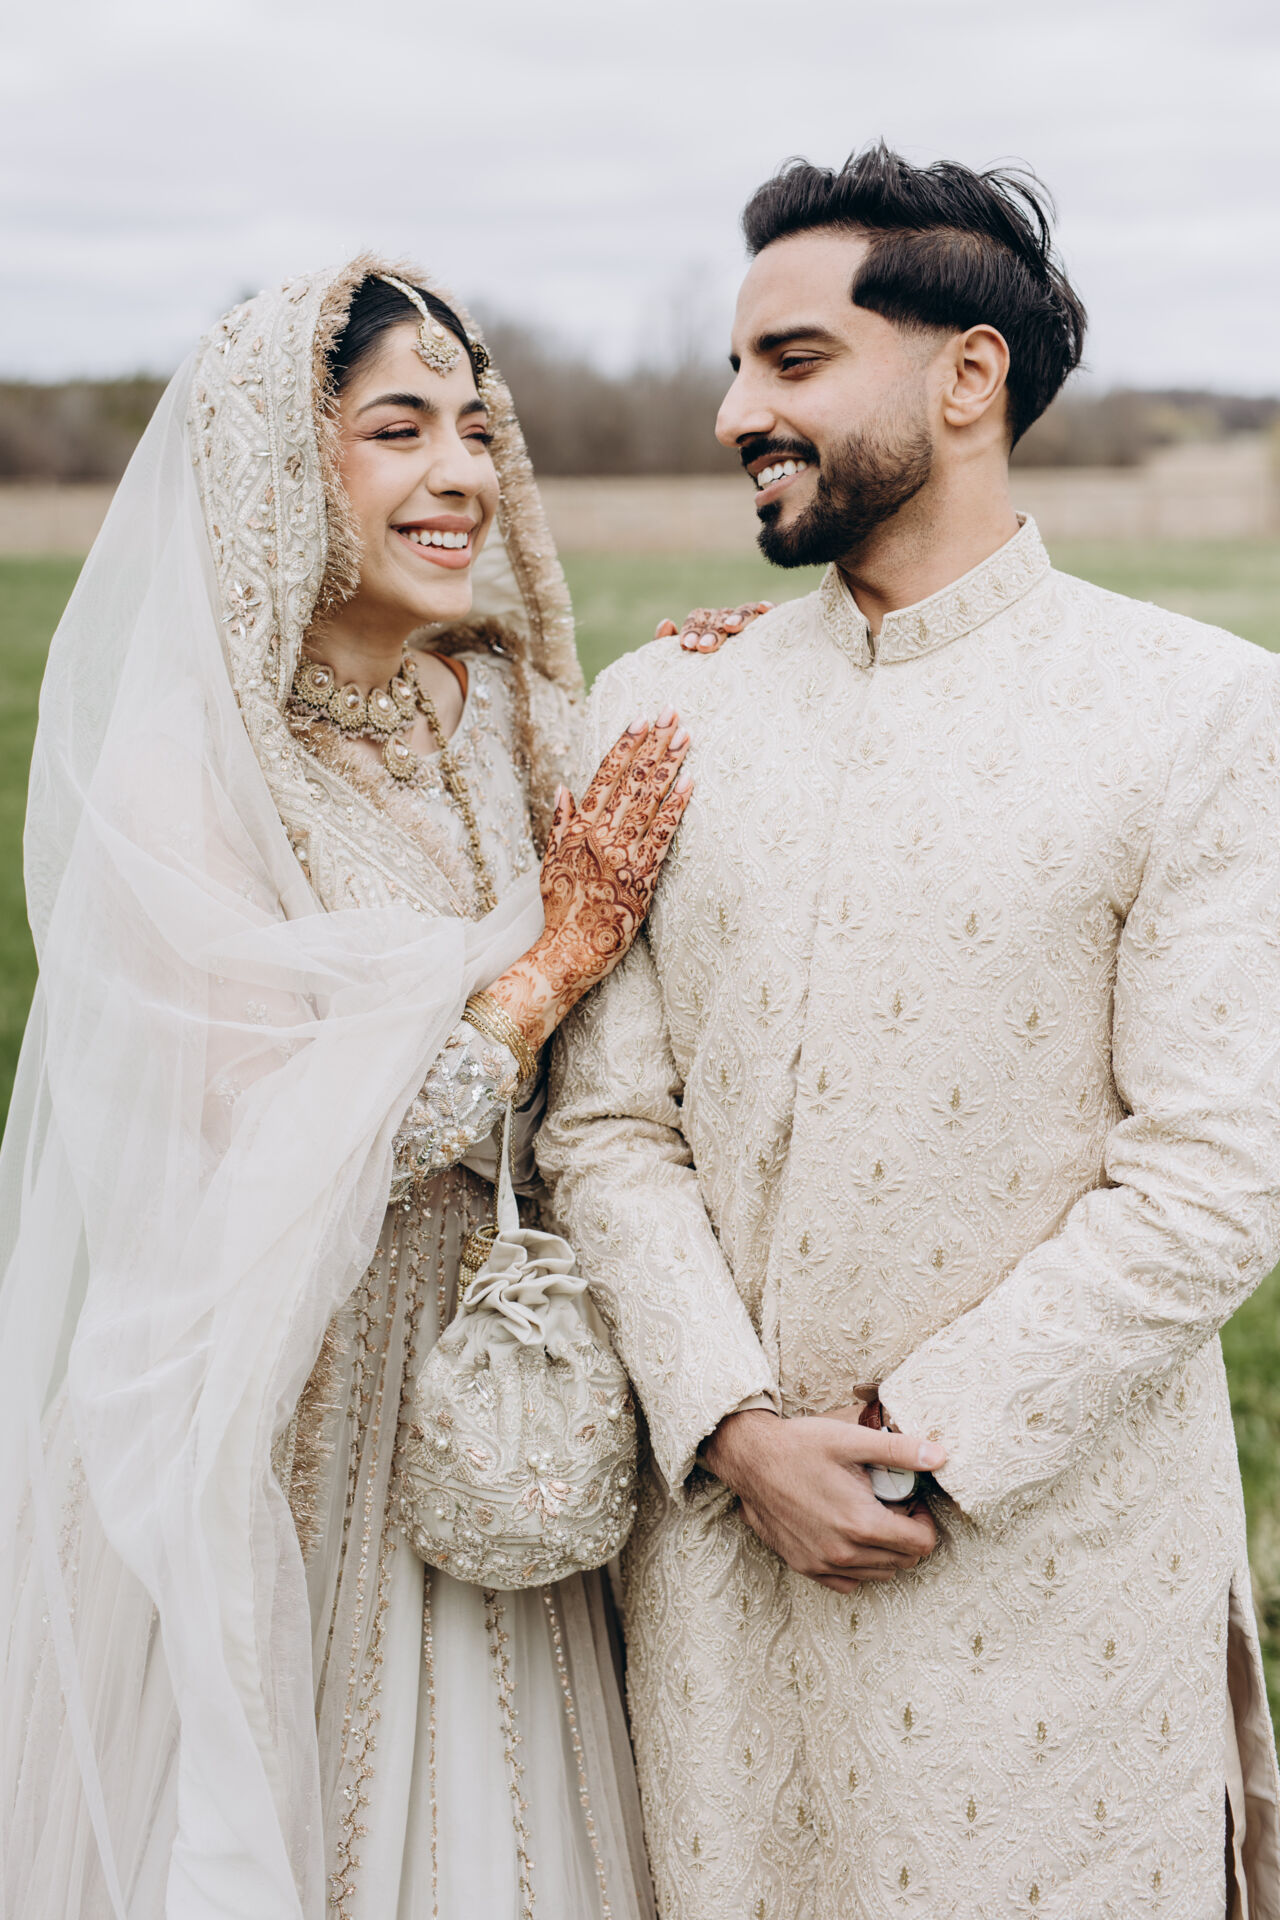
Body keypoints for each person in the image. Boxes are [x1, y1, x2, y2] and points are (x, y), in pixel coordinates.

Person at [539, 146, 1280, 1918]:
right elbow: (605, 1126)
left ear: (969, 376)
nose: (737, 413)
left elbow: (1215, 1174)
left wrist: (914, 1449)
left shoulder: (1201, 713)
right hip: (720, 1578)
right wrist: (736, 1434)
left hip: (1051, 1580)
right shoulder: (665, 705)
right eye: (737, 366)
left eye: (792, 361)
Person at [0, 256, 751, 1918]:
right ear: (281, 467)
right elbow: (283, 1149)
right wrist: (545, 969)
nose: (463, 472)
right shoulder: (185, 776)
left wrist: (725, 686)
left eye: (476, 428)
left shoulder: (499, 714)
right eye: (399, 429)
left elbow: (651, 831)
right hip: (298, 1402)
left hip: (524, 1395)